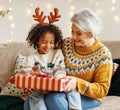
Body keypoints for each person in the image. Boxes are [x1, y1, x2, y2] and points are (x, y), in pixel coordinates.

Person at [44, 8, 113, 110]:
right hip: (63, 92)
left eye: (79, 33)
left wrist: (77, 83)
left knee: (53, 99)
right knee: (37, 100)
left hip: (89, 97)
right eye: (72, 31)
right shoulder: (65, 44)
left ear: (91, 33)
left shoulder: (103, 55)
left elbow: (102, 89)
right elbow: (47, 57)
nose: (74, 36)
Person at [23, 7, 82, 110]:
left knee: (71, 87)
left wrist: (57, 82)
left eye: (51, 42)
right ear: (37, 41)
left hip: (55, 85)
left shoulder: (57, 53)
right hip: (39, 88)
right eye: (44, 42)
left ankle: (75, 108)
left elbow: (60, 69)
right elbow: (24, 73)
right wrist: (31, 74)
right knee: (34, 96)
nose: (48, 46)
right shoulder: (31, 58)